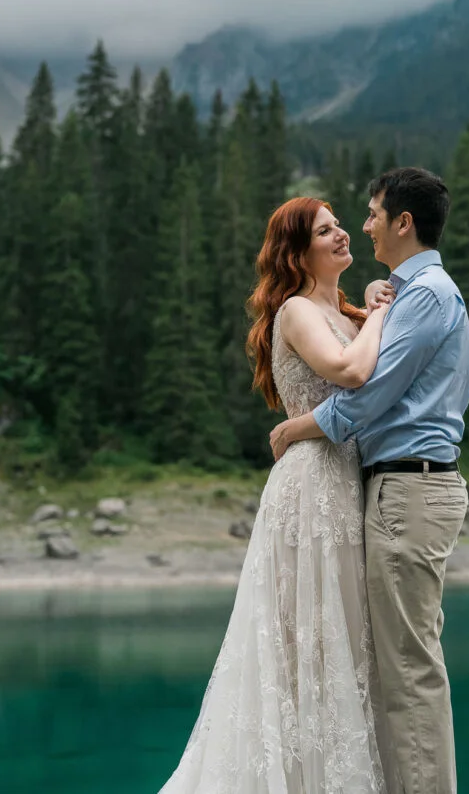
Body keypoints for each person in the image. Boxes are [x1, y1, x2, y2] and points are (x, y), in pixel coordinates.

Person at [158, 196, 395, 793]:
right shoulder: (295, 310)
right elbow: (349, 373)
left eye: (342, 224)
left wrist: (370, 307)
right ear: (298, 252)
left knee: (343, 636)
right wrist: (382, 317)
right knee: (305, 639)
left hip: (347, 482)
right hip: (310, 487)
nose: (343, 234)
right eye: (325, 230)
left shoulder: (343, 312)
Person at [269, 167, 469, 794]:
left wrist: (296, 428)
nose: (363, 227)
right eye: (333, 225)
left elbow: (368, 392)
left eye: (371, 214)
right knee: (381, 666)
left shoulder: (426, 294)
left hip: (409, 490)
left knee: (406, 672)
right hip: (389, 489)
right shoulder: (394, 296)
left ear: (403, 222)